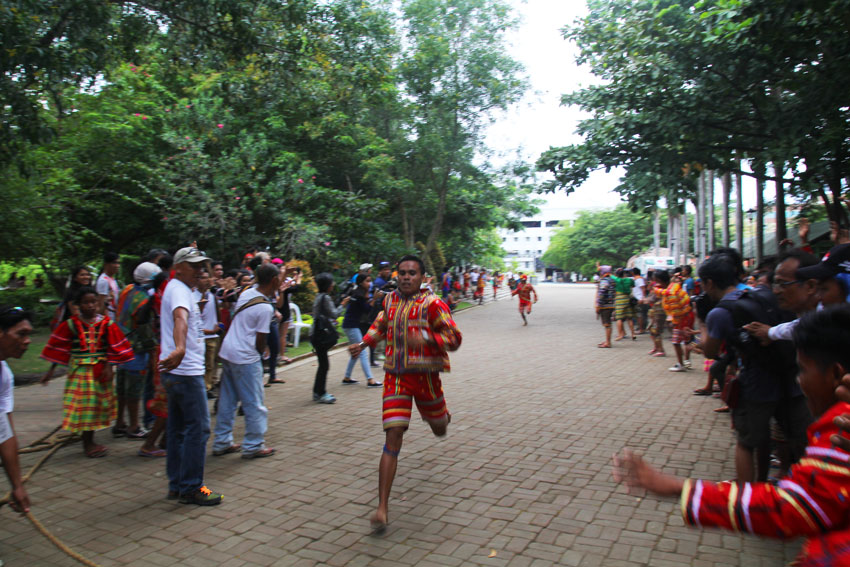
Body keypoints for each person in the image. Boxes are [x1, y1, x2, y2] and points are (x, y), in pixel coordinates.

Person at [613, 306, 850, 567]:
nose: (799, 380)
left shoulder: (842, 426)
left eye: (803, 370)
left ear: (836, 374)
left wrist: (680, 487)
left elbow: (792, 508)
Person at [348, 254, 462, 533]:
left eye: (412, 273)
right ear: (396, 276)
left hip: (426, 380)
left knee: (439, 429)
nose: (407, 277)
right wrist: (363, 344)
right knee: (392, 436)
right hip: (396, 378)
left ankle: (442, 417)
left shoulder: (434, 304)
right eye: (403, 273)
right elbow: (380, 326)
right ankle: (382, 508)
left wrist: (424, 337)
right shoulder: (389, 301)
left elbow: (454, 339)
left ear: (423, 277)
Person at [699, 253, 808, 483]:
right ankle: (804, 490)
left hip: (756, 382)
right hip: (791, 377)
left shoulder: (720, 312)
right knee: (799, 439)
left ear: (709, 282)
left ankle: (748, 496)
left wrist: (702, 327)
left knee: (747, 442)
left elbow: (710, 352)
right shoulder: (764, 293)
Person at [158, 246, 222, 505]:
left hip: (179, 371)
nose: (200, 270)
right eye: (194, 266)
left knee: (178, 429)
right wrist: (181, 348)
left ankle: (178, 484)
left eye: (202, 266)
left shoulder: (182, 290)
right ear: (179, 267)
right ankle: (192, 487)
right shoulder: (178, 290)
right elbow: (180, 318)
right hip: (186, 372)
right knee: (199, 428)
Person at [40, 286, 135, 457]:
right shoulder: (71, 324)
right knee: (85, 406)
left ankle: (89, 440)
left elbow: (113, 347)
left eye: (93, 302)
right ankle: (88, 444)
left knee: (96, 406)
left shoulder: (107, 323)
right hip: (80, 372)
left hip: (99, 372)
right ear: (78, 305)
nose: (90, 306)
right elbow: (60, 347)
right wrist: (50, 372)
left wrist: (109, 367)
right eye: (86, 303)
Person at [213, 263, 278, 460]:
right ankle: (253, 444)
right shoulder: (265, 308)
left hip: (229, 352)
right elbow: (260, 339)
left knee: (227, 400)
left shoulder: (247, 293)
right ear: (274, 281)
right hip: (245, 356)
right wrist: (261, 354)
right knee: (254, 402)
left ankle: (221, 442)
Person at [113, 261, 162, 442]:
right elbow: (145, 328)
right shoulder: (143, 300)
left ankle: (120, 422)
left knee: (122, 387)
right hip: (136, 349)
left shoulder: (126, 290)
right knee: (134, 388)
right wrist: (152, 351)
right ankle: (134, 425)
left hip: (120, 346)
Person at [0, 305, 34, 516]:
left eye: (28, 335)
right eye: (21, 334)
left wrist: (17, 485)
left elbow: (6, 434)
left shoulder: (4, 375)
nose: (27, 341)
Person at [310, 273, 350, 404]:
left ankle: (318, 392)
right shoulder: (325, 298)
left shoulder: (318, 296)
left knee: (323, 364)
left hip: (315, 333)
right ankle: (320, 393)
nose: (333, 284)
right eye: (331, 282)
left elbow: (321, 316)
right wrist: (343, 304)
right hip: (320, 335)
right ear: (327, 285)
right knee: (324, 365)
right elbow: (334, 313)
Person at [342, 274, 381, 387]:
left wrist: (371, 298)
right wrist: (374, 299)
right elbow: (367, 309)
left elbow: (364, 306)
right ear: (361, 283)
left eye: (370, 281)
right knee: (362, 350)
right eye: (367, 281)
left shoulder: (358, 293)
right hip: (351, 325)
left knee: (356, 352)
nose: (369, 283)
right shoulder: (359, 295)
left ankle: (347, 377)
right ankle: (370, 380)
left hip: (350, 325)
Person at [195, 269, 221, 397]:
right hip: (202, 336)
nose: (206, 280)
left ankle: (208, 386)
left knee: (212, 364)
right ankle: (203, 388)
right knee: (203, 365)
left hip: (213, 336)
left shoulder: (212, 296)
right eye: (202, 278)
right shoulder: (192, 296)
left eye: (207, 278)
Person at [661, 269, 693, 371]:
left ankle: (681, 364)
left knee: (677, 341)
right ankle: (685, 361)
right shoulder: (675, 289)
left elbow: (674, 309)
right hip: (686, 316)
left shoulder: (672, 292)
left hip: (681, 318)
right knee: (685, 340)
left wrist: (674, 321)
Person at [645, 271, 667, 357]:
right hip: (656, 310)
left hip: (660, 311)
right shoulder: (659, 286)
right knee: (652, 329)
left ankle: (661, 349)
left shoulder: (660, 287)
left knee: (656, 330)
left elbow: (652, 298)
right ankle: (656, 347)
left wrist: (645, 300)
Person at [612, 268, 636, 341]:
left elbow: (611, 276)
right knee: (629, 317)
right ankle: (633, 334)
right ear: (624, 274)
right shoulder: (629, 280)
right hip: (627, 298)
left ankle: (620, 335)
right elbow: (633, 285)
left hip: (619, 299)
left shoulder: (616, 279)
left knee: (619, 318)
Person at [96, 252, 121, 319]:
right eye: (114, 263)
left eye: (118, 263)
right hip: (108, 318)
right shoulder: (103, 280)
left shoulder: (112, 279)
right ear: (106, 264)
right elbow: (101, 304)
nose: (117, 265)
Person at [595, 266, 615, 348]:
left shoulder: (604, 281)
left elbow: (601, 294)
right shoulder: (612, 280)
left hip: (605, 305)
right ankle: (607, 340)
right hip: (611, 304)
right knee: (608, 324)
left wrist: (598, 305)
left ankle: (608, 342)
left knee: (607, 324)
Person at [631, 267, 648, 333]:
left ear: (633, 272)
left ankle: (641, 329)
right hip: (637, 298)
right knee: (639, 314)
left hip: (639, 298)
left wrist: (642, 298)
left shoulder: (639, 279)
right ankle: (640, 328)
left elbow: (643, 288)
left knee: (640, 314)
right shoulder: (636, 279)